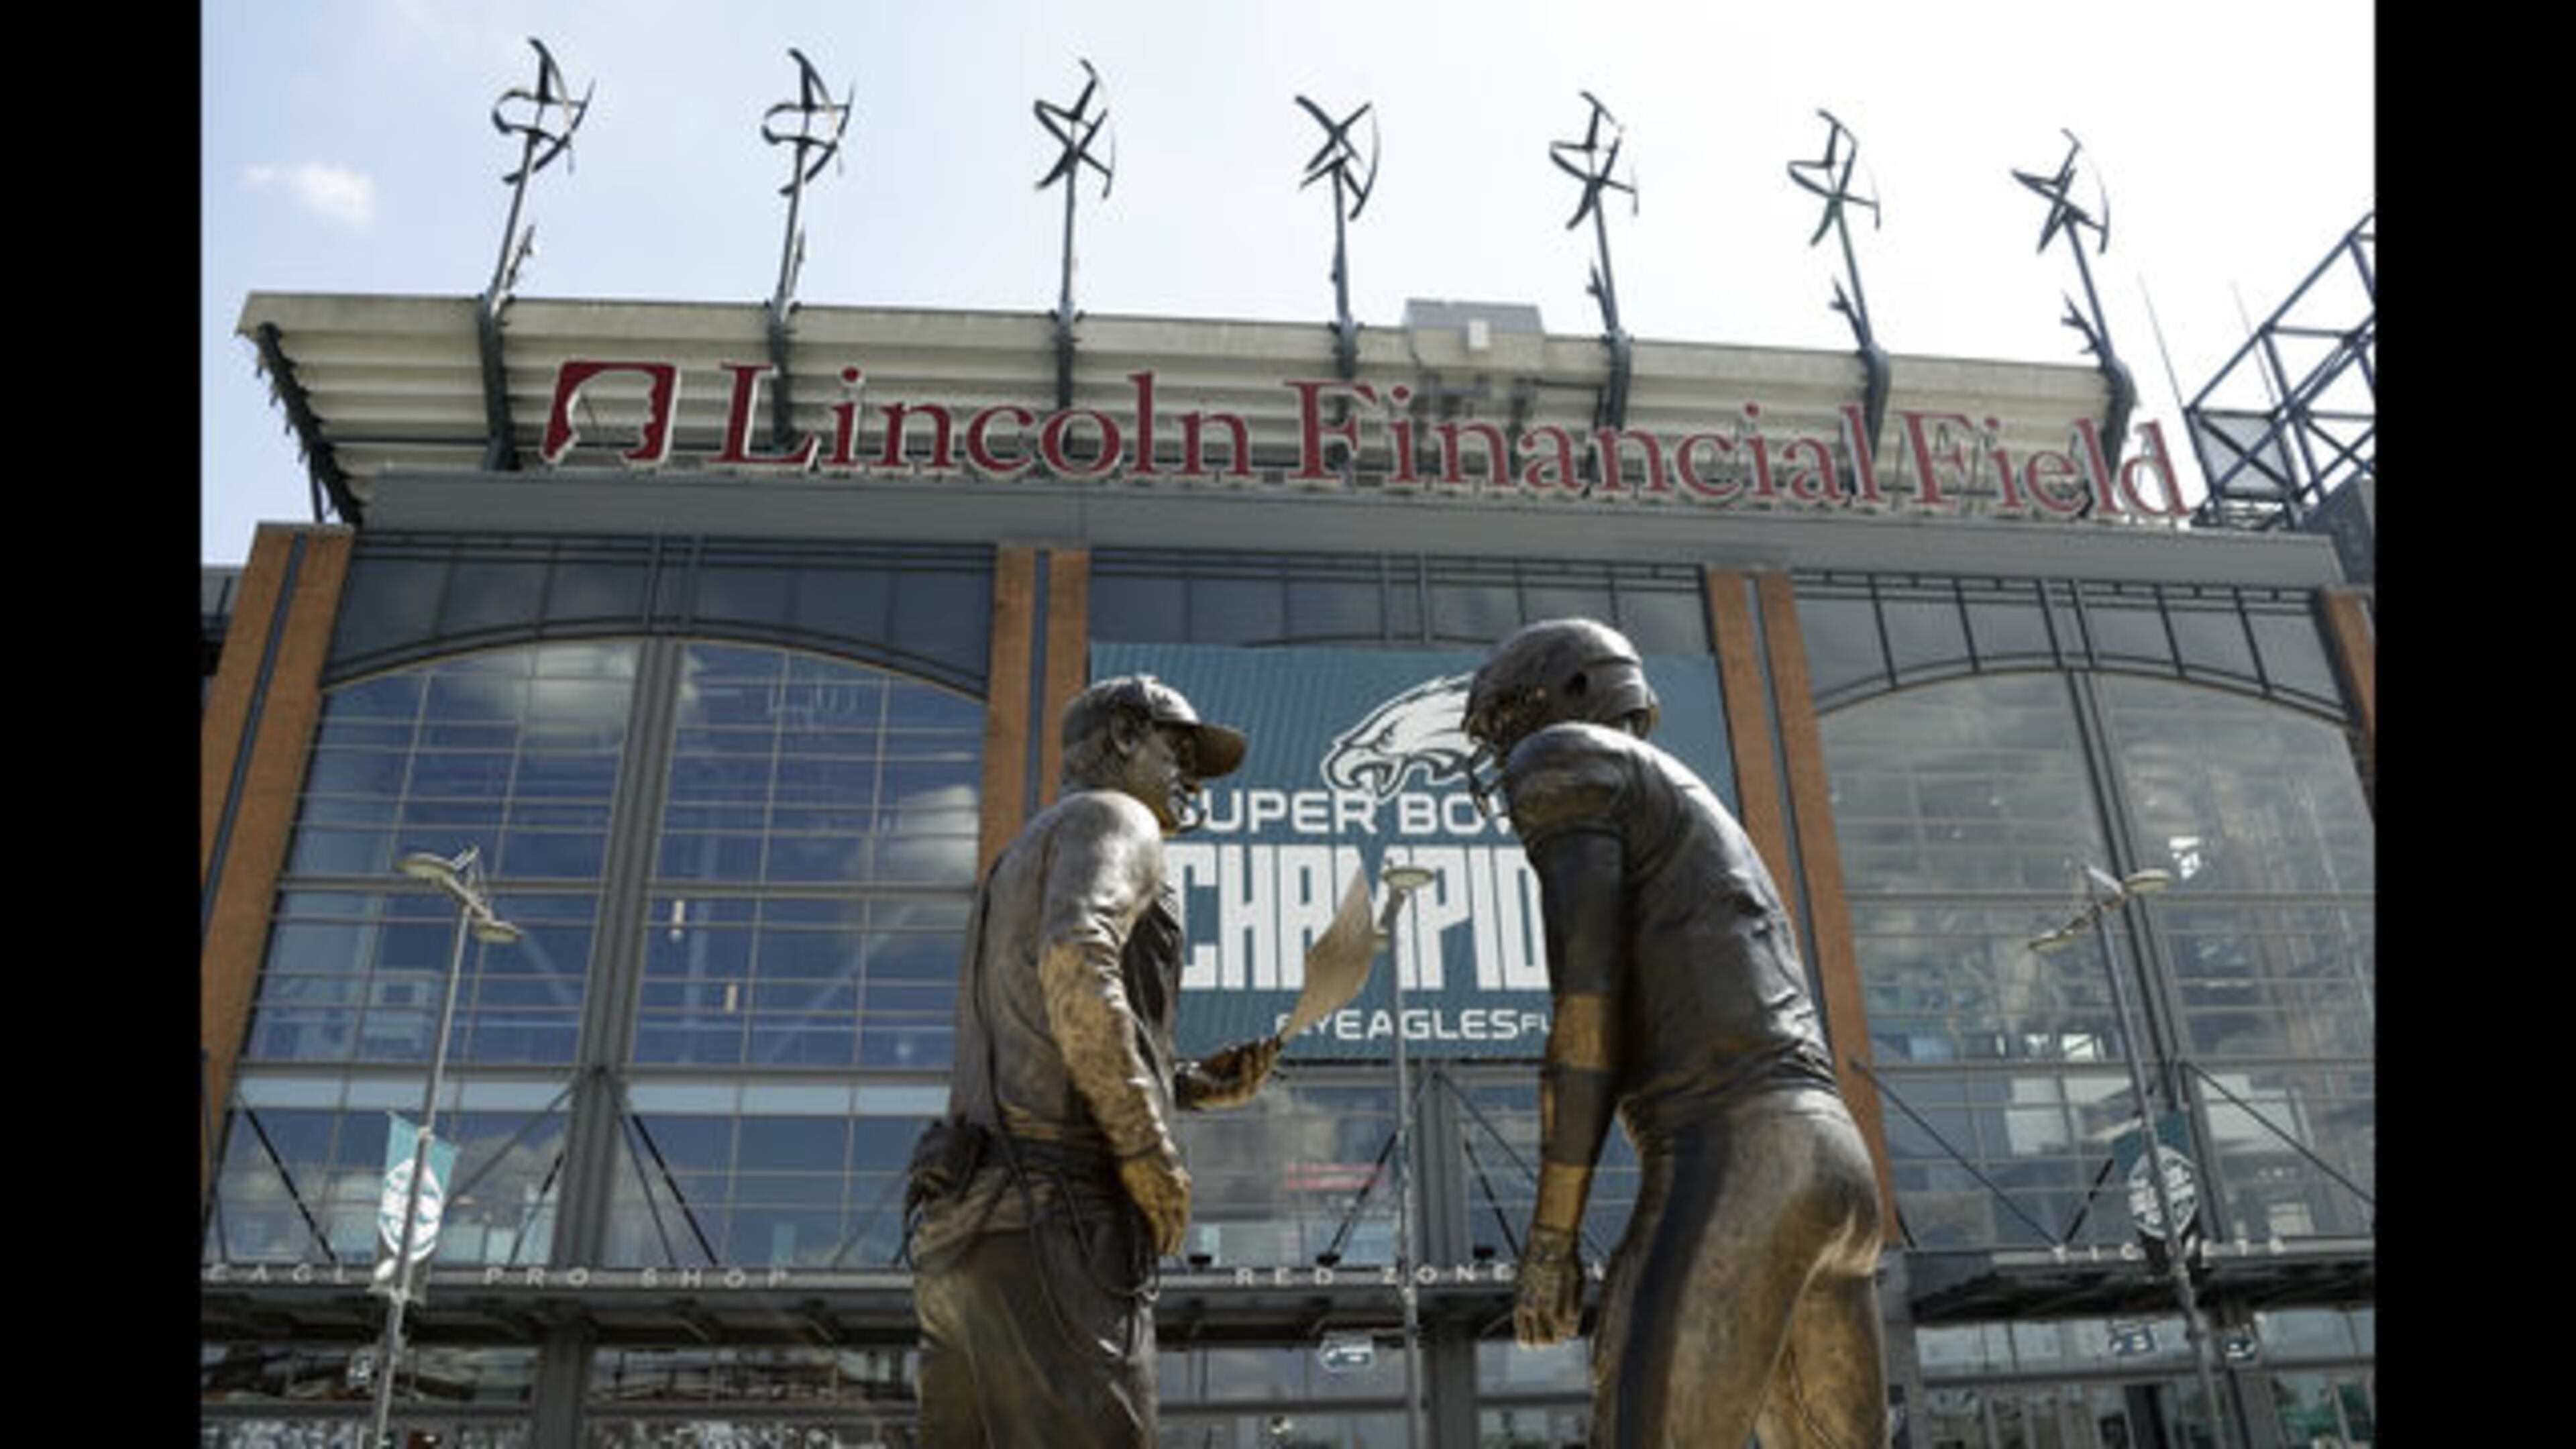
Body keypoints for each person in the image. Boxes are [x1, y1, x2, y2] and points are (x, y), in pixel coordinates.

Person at [1462, 619, 1888, 1448]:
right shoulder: (1690, 802)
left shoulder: (1566, 760)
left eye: (1505, 717)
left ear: (1567, 696)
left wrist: (1551, 1239)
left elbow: (1588, 1016)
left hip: (1740, 1157)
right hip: (1836, 1163)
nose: (1503, 744)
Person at [907, 674, 1282, 1448]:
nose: (1191, 777)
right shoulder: (1117, 816)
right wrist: (1147, 1145)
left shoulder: (1021, 855)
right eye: (1178, 750)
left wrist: (1187, 1088)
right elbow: (1078, 956)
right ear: (1121, 736)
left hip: (969, 1247)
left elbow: (1047, 1026)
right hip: (1057, 1236)